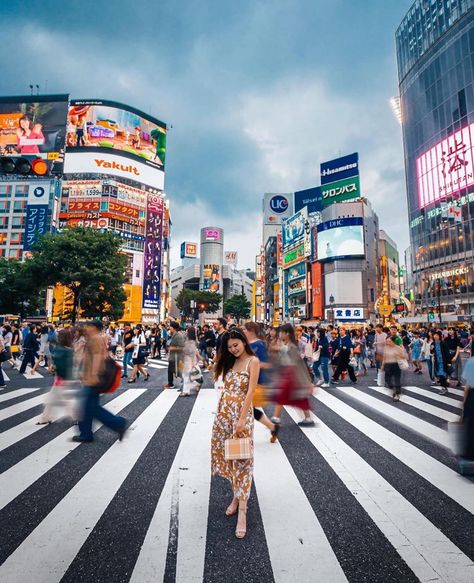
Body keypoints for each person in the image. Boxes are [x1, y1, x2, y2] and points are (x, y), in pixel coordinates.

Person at [211, 328, 259, 539]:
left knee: (242, 461)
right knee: (229, 459)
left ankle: (243, 511)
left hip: (241, 416)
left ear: (243, 341)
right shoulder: (229, 360)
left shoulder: (253, 361)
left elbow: (251, 392)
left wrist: (241, 420)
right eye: (229, 347)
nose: (233, 349)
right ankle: (235, 496)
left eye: (236, 345)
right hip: (223, 414)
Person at [73, 321, 127, 443]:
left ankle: (117, 423)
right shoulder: (93, 338)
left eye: (88, 326)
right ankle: (87, 433)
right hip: (90, 377)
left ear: (95, 328)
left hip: (93, 378)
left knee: (88, 407)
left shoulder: (96, 339)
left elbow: (98, 357)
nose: (86, 328)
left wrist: (93, 375)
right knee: (90, 407)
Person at [271, 323, 314, 427]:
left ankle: (276, 417)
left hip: (292, 373)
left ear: (287, 333)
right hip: (289, 373)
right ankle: (308, 418)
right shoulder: (286, 344)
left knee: (282, 394)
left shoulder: (292, 346)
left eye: (281, 332)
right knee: (299, 397)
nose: (280, 334)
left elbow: (296, 362)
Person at [243, 322, 279, 442]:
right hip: (249, 381)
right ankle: (272, 427)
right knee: (249, 409)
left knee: (245, 408)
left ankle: (242, 434)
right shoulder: (248, 344)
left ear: (251, 330)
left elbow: (267, 364)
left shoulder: (260, 345)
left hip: (258, 382)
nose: (243, 332)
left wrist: (251, 365)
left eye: (245, 330)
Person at [36, 328, 76, 424]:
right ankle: (46, 418)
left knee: (61, 400)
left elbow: (55, 361)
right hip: (67, 377)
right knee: (55, 399)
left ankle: (77, 417)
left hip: (61, 378)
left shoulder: (59, 349)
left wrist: (53, 367)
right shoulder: (70, 350)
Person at [459, 356, 474, 473]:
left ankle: (468, 458)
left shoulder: (472, 361)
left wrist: (464, 403)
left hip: (473, 397)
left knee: (470, 428)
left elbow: (468, 385)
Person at [382, 333, 406, 402]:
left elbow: (403, 356)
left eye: (389, 341)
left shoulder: (398, 348)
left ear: (393, 341)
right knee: (387, 379)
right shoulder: (386, 348)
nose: (388, 342)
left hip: (396, 365)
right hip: (388, 365)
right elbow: (384, 356)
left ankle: (397, 394)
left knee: (397, 379)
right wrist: (382, 365)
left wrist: (397, 355)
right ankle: (393, 389)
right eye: (387, 341)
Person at [180, 327, 202, 397]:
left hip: (188, 360)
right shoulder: (194, 340)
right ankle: (195, 384)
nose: (186, 332)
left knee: (186, 375)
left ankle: (186, 391)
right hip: (192, 359)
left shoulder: (189, 341)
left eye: (187, 331)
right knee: (187, 375)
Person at [163, 322, 185, 389]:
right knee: (171, 370)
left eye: (170, 327)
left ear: (173, 328)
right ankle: (171, 383)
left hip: (177, 357)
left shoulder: (178, 336)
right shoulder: (174, 335)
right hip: (173, 356)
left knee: (178, 371)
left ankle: (189, 381)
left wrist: (173, 348)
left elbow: (182, 347)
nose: (169, 328)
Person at [432, 331, 450, 395]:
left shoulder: (443, 343)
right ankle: (444, 387)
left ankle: (444, 388)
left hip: (443, 362)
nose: (435, 336)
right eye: (434, 335)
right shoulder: (433, 343)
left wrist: (448, 362)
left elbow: (447, 353)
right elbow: (431, 351)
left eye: (436, 335)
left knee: (442, 375)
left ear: (439, 336)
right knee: (440, 375)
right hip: (437, 362)